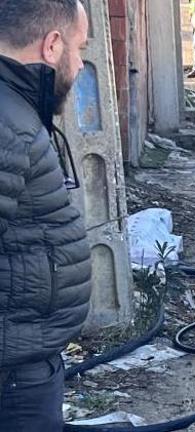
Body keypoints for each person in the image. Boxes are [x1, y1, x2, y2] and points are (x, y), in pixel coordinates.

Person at [0, 0, 92, 430]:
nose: (80, 64)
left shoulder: (15, 109)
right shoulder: (8, 124)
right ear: (52, 45)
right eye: (80, 48)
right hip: (14, 377)